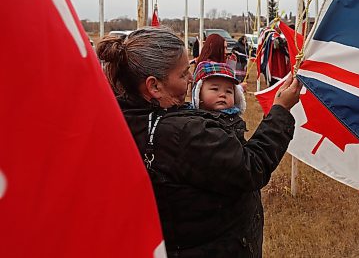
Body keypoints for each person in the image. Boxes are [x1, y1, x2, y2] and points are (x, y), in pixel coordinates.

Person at [96, 27, 301, 258]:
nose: (191, 78)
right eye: (183, 74)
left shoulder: (115, 119)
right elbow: (251, 166)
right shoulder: (184, 134)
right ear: (154, 86)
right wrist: (280, 110)